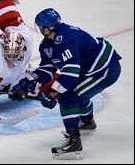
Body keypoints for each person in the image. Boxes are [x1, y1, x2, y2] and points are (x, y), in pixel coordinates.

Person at [9, 8, 122, 159]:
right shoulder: (48, 44)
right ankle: (88, 122)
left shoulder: (66, 39)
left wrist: (53, 94)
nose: (40, 30)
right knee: (77, 93)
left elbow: (70, 76)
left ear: (46, 28)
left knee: (68, 95)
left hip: (105, 70)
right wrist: (28, 82)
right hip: (90, 69)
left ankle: (74, 141)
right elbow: (47, 68)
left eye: (40, 27)